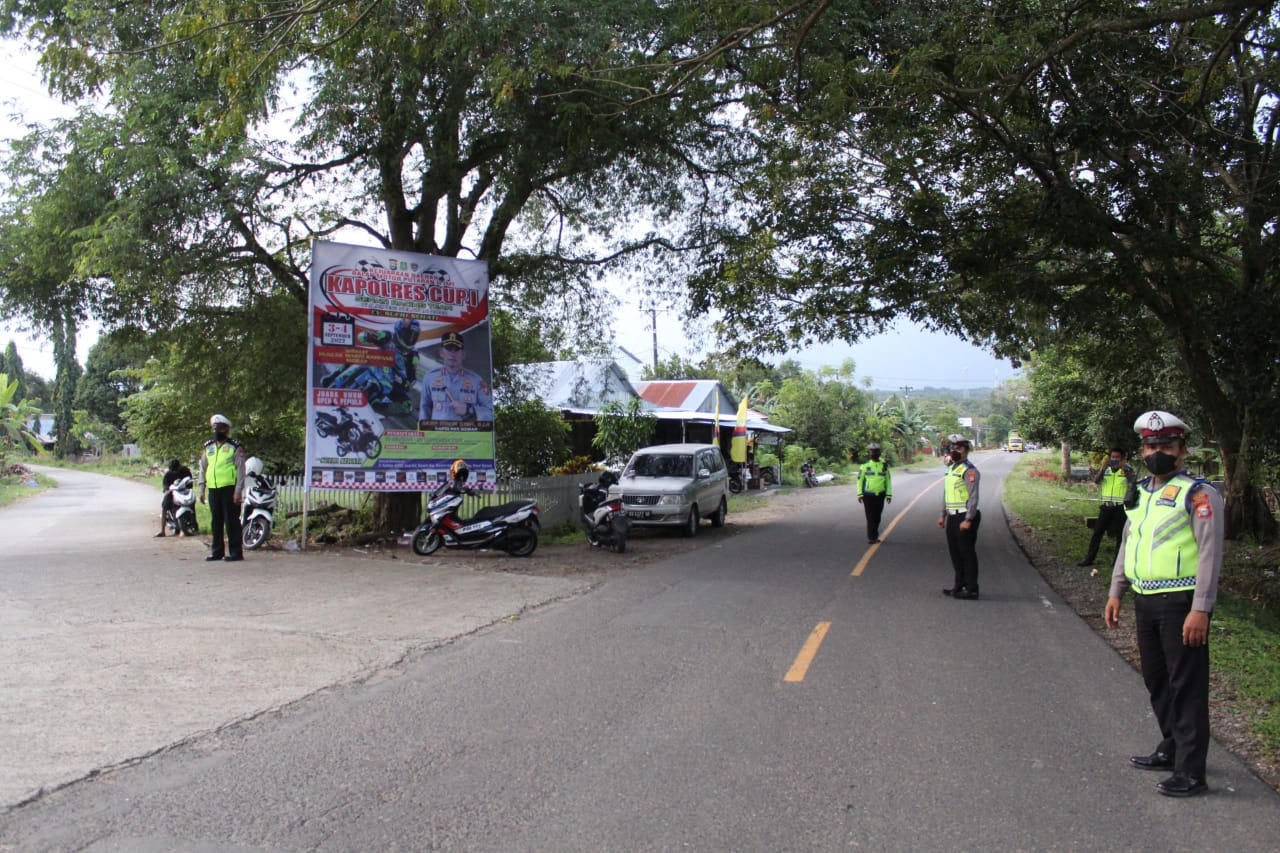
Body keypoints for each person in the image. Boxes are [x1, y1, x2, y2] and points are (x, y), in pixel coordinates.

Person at [1104, 411, 1223, 798]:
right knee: (1157, 681)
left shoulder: (1199, 493)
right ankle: (1172, 747)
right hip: (1146, 599)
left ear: (1181, 450)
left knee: (1186, 686)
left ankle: (1191, 771)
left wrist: (1201, 608)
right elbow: (1129, 541)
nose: (1158, 452)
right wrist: (1115, 590)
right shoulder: (1140, 491)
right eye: (1152, 446)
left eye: (1166, 446)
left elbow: (1210, 554)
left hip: (1181, 603)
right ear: (1143, 449)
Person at [198, 414, 247, 562]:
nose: (217, 430)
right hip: (213, 488)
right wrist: (201, 488)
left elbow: (240, 470)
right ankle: (217, 551)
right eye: (215, 427)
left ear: (226, 429)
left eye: (220, 428)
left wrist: (238, 491)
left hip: (229, 488)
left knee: (231, 521)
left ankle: (236, 552)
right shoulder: (208, 447)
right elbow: (202, 468)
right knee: (216, 521)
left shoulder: (234, 447)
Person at [418, 331, 493, 426]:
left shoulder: (477, 381)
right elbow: (424, 411)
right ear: (441, 352)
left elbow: (490, 412)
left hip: (466, 439)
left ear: (463, 354)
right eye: (449, 349)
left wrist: (469, 410)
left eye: (456, 349)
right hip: (438, 438)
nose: (453, 354)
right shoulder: (430, 378)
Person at [1078, 447, 1137, 567]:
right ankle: (1089, 559)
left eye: (1117, 457)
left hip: (1120, 507)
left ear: (1122, 459)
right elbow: (1096, 481)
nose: (1114, 459)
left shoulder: (1127, 469)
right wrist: (1103, 469)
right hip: (1106, 507)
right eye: (1112, 457)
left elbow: (1133, 482)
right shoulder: (1106, 470)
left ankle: (1116, 561)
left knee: (1120, 536)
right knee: (1097, 533)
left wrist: (1124, 468)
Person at [939, 434, 981, 599]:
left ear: (966, 451)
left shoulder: (969, 470)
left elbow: (973, 497)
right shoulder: (951, 469)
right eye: (953, 448)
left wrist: (969, 519)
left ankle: (972, 588)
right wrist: (942, 514)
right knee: (955, 554)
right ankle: (959, 585)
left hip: (965, 517)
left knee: (967, 553)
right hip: (952, 516)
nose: (955, 450)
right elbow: (946, 493)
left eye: (959, 448)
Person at [857, 442, 893, 544]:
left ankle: (874, 535)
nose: (874, 453)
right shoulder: (864, 466)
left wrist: (889, 494)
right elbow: (859, 481)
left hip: (880, 495)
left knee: (877, 516)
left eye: (876, 451)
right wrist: (859, 494)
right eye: (872, 452)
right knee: (870, 517)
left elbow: (888, 481)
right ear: (869, 453)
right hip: (868, 495)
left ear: (879, 453)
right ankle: (872, 537)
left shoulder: (884, 466)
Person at [156, 457, 193, 537]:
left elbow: (190, 482)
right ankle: (162, 530)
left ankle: (194, 525)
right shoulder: (169, 474)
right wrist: (167, 491)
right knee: (164, 506)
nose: (175, 471)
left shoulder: (186, 471)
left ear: (180, 466)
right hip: (173, 491)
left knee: (192, 502)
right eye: (173, 470)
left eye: (176, 469)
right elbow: (165, 486)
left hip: (184, 491)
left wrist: (189, 488)